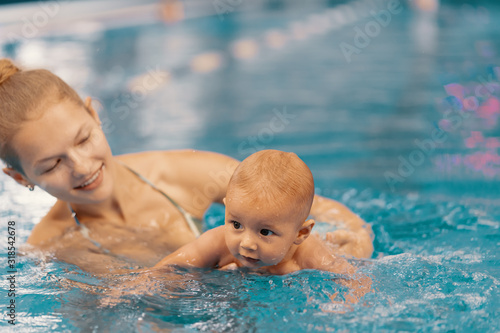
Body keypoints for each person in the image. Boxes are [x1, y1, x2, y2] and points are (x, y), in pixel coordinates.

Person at [0, 59, 373, 273]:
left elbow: (311, 205)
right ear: (19, 178)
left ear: (95, 115)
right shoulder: (49, 247)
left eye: (83, 139)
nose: (81, 166)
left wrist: (356, 237)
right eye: (51, 165)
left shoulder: (183, 174)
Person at [153, 150, 371, 301]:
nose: (247, 243)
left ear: (301, 233)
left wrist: (341, 305)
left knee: (358, 248)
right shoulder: (216, 242)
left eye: (265, 232)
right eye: (236, 224)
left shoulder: (308, 254)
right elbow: (169, 267)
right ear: (227, 210)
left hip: (332, 243)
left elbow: (353, 279)